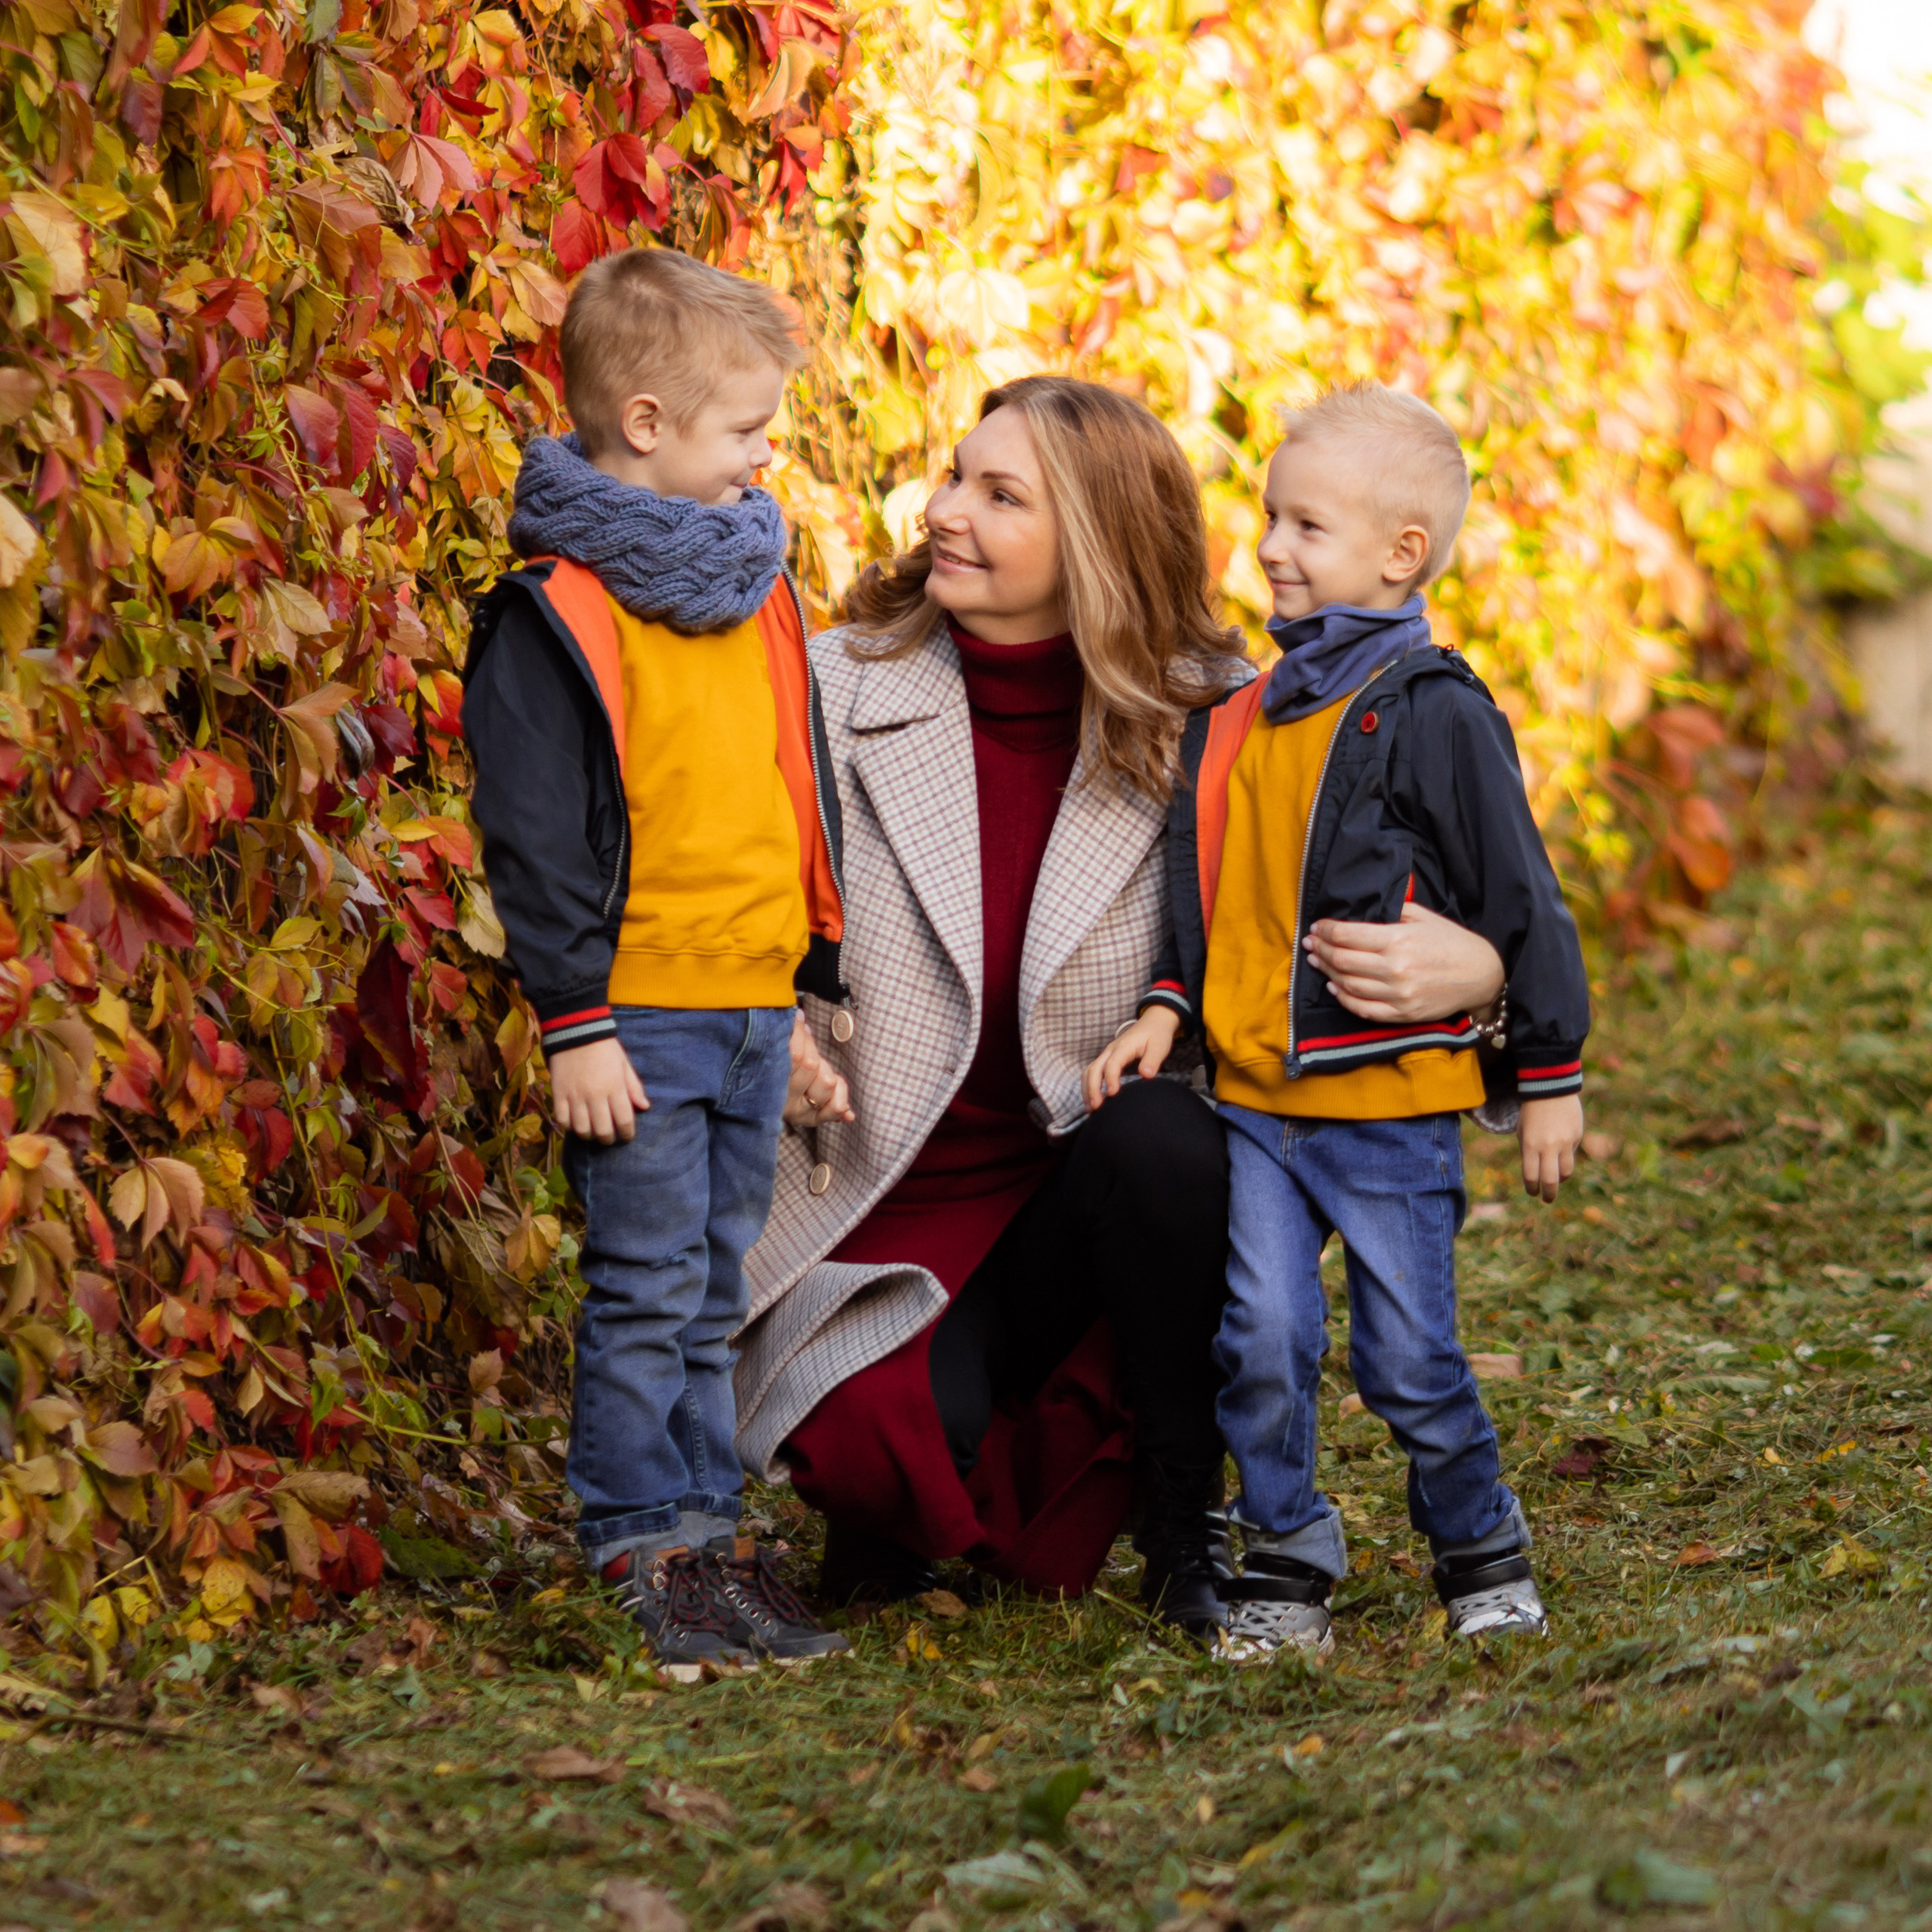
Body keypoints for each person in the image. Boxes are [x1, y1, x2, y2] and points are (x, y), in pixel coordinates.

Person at [732, 375, 1512, 1637]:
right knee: (881, 1450)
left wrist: (1483, 975)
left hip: (1085, 1204)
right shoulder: (830, 689)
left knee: (1168, 1136)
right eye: (955, 476)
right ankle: (910, 1485)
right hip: (873, 1198)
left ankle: (1180, 1521)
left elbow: (1370, 910)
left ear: (1097, 538)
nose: (944, 510)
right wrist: (766, 1033)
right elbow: (732, 911)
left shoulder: (1228, 716)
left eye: (1001, 496)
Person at [1091, 383, 1590, 1657]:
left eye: (1306, 526)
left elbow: (1520, 898)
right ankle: (1287, 1559)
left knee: (1407, 1361)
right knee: (1260, 1342)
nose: (1270, 545)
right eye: (1270, 516)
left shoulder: (1434, 710)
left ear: (1399, 554)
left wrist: (1551, 1073)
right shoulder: (1244, 716)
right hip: (1259, 1108)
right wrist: (1168, 1004)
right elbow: (1213, 894)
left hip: (1389, 1112)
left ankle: (1480, 1550)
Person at [463, 248, 854, 1666]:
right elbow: (535, 838)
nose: (764, 454)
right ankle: (641, 1540)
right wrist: (574, 1020)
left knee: (712, 1286)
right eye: (744, 428)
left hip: (744, 1009)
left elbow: (782, 795)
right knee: (643, 1287)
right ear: (644, 423)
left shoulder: (758, 586)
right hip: (633, 1019)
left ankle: (707, 1534)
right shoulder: (558, 611)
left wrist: (796, 1001)